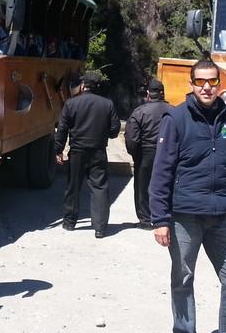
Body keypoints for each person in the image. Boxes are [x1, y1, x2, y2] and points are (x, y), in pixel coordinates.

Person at [148, 58, 226, 333]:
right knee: (183, 278)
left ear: (219, 84)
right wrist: (160, 219)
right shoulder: (176, 118)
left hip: (223, 216)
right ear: (191, 84)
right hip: (185, 216)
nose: (207, 87)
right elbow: (161, 172)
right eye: (200, 82)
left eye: (212, 81)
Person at [55, 72, 121, 238]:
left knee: (73, 186)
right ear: (97, 87)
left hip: (77, 151)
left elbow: (62, 129)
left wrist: (58, 150)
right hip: (98, 151)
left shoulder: (71, 103)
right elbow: (115, 130)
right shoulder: (107, 104)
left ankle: (70, 222)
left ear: (83, 86)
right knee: (99, 188)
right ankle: (100, 228)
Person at [125, 78, 171, 230]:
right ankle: (165, 216)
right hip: (168, 152)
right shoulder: (174, 111)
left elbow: (131, 138)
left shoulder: (140, 112)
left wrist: (135, 155)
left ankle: (145, 219)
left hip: (146, 153)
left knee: (142, 185)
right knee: (167, 184)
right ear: (163, 93)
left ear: (148, 94)